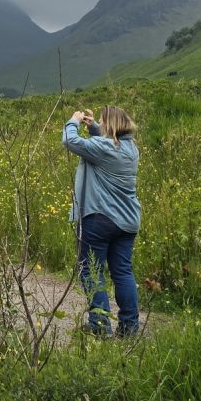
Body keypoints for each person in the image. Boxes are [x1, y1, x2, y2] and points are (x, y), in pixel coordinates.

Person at [62, 105, 141, 337]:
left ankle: (99, 324)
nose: (103, 126)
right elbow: (107, 145)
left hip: (100, 219)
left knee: (91, 271)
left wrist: (74, 121)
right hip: (127, 222)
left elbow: (70, 141)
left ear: (112, 126)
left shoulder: (105, 148)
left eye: (105, 123)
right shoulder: (131, 149)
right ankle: (129, 327)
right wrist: (94, 126)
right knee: (123, 272)